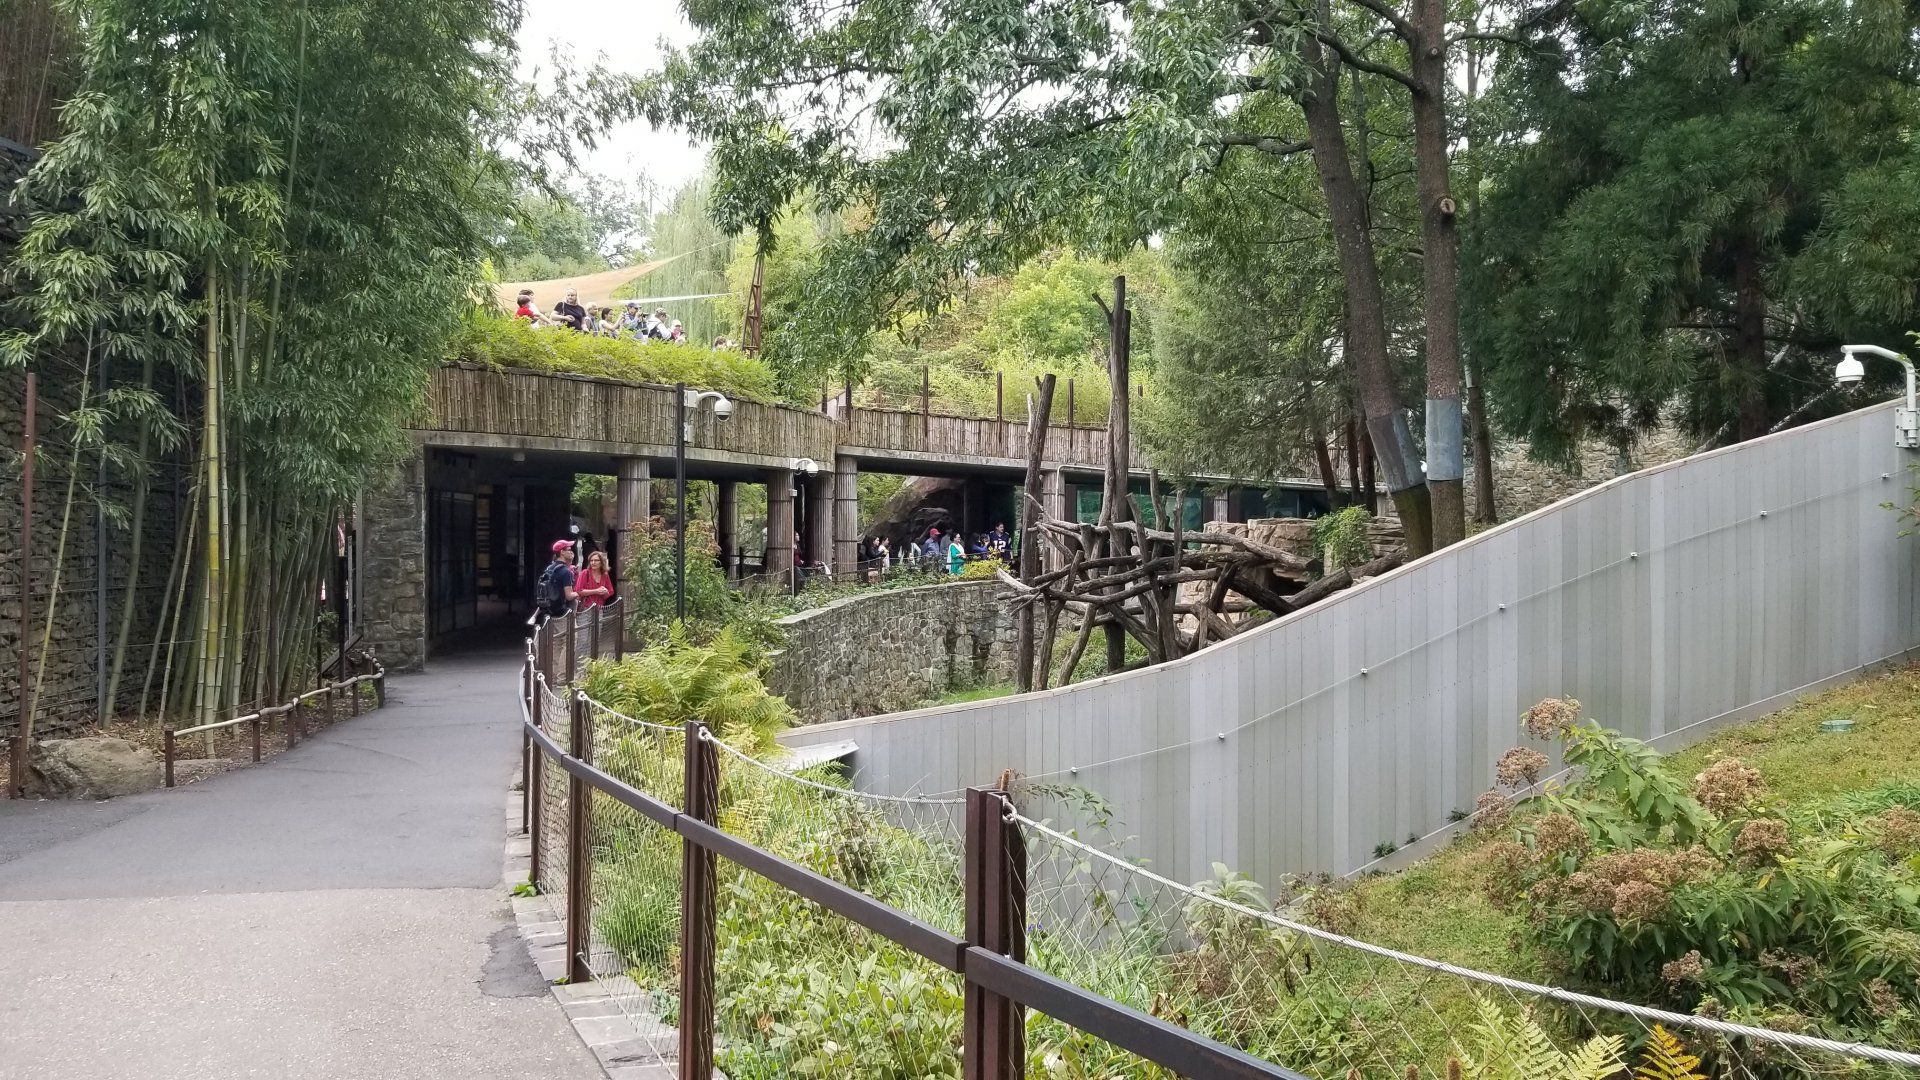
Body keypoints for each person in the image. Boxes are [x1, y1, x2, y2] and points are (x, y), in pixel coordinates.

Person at [535, 539, 578, 620]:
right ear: (562, 552)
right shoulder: (565, 571)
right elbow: (569, 596)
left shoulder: (549, 568)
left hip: (549, 612)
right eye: (569, 550)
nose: (571, 552)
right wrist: (579, 593)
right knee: (569, 633)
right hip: (562, 615)